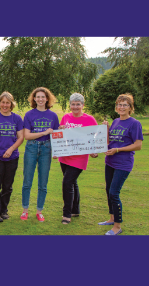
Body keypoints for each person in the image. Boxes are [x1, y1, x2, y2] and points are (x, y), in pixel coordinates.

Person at [98, 94, 143, 235]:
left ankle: (117, 226)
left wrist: (118, 150)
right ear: (116, 107)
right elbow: (109, 141)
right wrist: (106, 129)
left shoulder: (135, 123)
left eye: (125, 105)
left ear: (130, 107)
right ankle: (112, 218)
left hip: (123, 164)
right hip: (110, 162)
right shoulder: (116, 121)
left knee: (114, 193)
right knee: (108, 191)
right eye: (119, 104)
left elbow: (138, 145)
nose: (121, 107)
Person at [58, 93, 98, 224]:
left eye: (78, 104)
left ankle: (67, 214)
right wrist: (60, 129)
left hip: (79, 158)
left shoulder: (90, 119)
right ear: (70, 105)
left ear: (83, 105)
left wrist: (94, 150)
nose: (75, 107)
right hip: (65, 156)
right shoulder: (66, 117)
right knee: (73, 183)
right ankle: (75, 210)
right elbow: (61, 134)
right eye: (73, 104)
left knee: (67, 183)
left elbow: (96, 138)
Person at [21, 87, 59, 222]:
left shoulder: (53, 116)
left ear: (47, 99)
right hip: (31, 148)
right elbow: (27, 135)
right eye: (38, 97)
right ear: (34, 99)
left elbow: (56, 136)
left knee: (43, 182)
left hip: (46, 149)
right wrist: (43, 133)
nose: (41, 99)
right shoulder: (29, 115)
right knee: (27, 181)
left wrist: (57, 151)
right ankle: (25, 210)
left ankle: (39, 211)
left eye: (43, 97)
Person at [0, 91, 24, 223]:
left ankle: (4, 210)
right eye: (3, 102)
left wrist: (11, 149)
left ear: (11, 104)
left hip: (12, 157)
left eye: (8, 102)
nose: (5, 105)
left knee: (8, 186)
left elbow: (21, 137)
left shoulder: (17, 119)